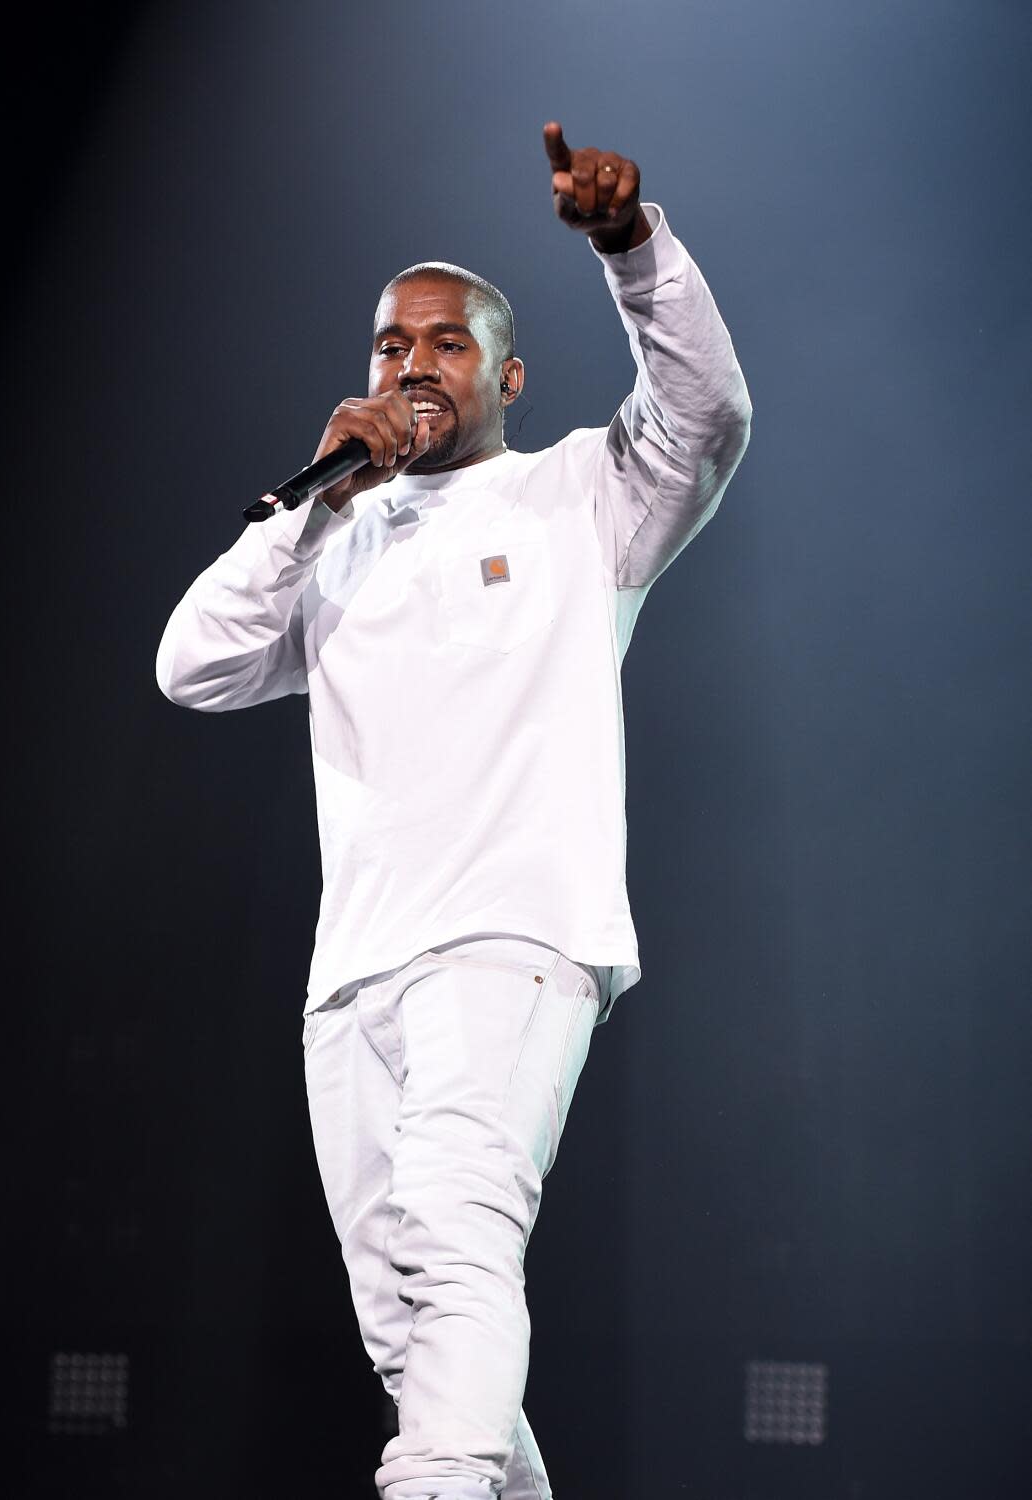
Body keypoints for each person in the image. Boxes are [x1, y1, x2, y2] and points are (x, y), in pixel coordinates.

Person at [156, 120, 751, 1500]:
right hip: (354, 968)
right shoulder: (334, 542)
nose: (411, 365)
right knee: (403, 1319)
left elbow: (707, 416)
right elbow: (191, 668)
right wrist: (302, 511)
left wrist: (632, 251)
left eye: (443, 343)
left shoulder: (577, 498)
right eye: (387, 346)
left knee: (456, 1230)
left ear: (506, 375)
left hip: (507, 936)